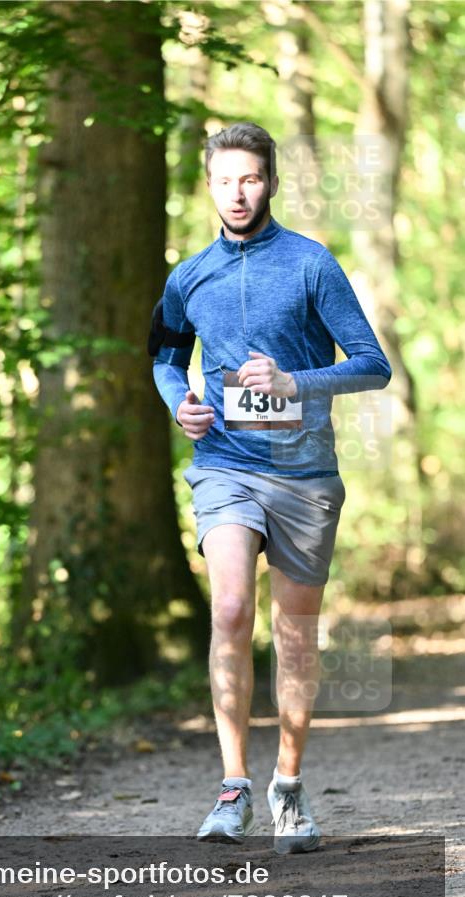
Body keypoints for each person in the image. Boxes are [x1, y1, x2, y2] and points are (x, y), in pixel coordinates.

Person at [151, 122, 392, 854]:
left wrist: (296, 381)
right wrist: (178, 403)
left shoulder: (312, 265)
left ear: (271, 181)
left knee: (292, 637)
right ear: (207, 185)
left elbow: (372, 365)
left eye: (249, 177)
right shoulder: (188, 276)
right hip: (224, 465)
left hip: (305, 477)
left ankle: (287, 784)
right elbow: (164, 357)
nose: (236, 191)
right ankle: (232, 788)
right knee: (228, 609)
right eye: (224, 179)